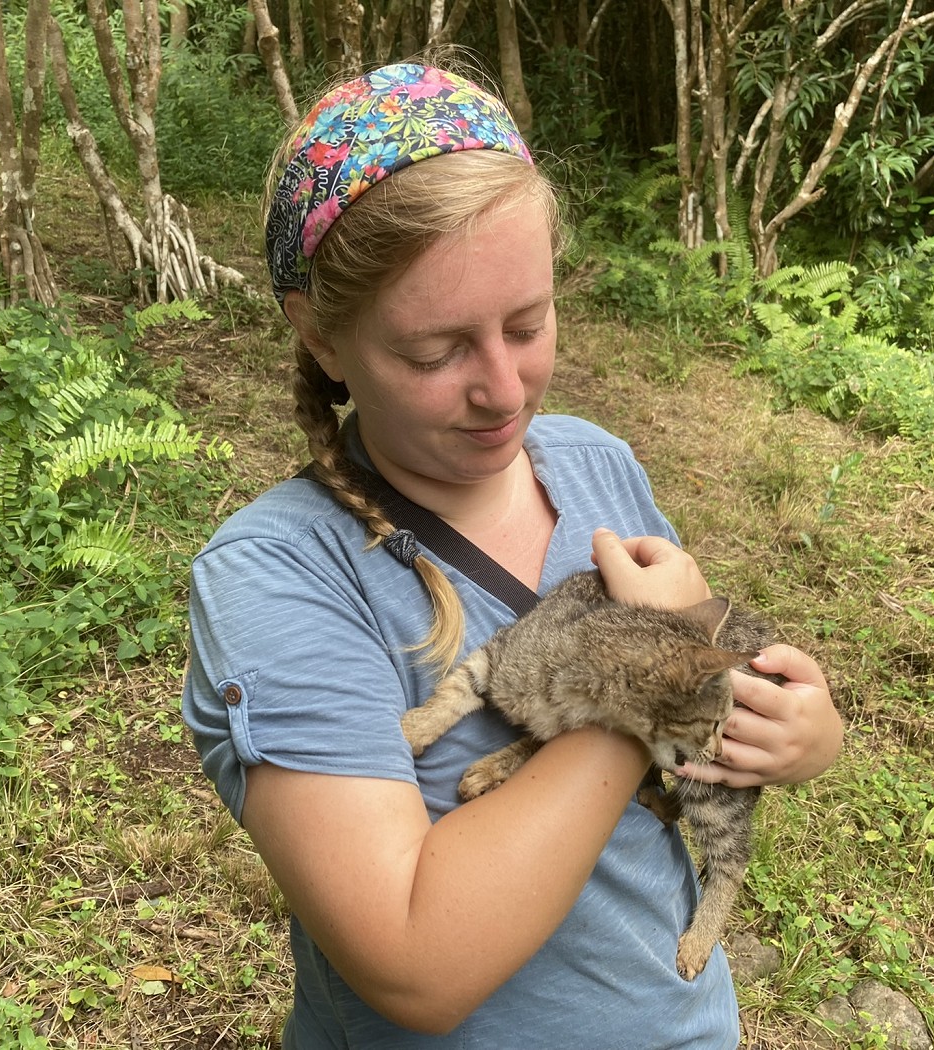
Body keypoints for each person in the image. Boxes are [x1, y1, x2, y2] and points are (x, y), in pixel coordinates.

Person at [181, 60, 842, 1049]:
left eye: (526, 325)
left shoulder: (592, 465)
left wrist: (793, 726)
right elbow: (413, 963)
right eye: (435, 350)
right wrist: (644, 686)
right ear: (321, 338)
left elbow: (706, 697)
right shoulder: (277, 580)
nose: (502, 388)